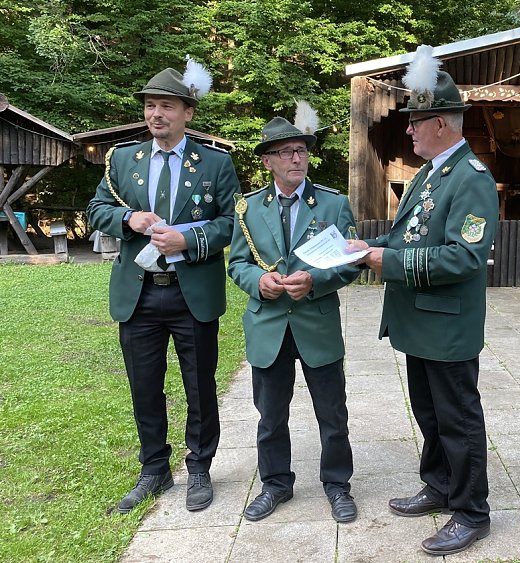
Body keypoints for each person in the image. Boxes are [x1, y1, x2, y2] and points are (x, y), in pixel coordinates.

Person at [347, 46, 499, 556]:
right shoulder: (432, 172)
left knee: (458, 420)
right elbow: (408, 237)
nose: (408, 130)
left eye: (415, 122)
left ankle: (472, 512)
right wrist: (367, 249)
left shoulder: (472, 179)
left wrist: (384, 263)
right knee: (430, 416)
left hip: (448, 326)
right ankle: (439, 486)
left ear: (442, 123)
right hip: (420, 321)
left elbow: (463, 258)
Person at [86, 60, 241, 513]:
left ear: (187, 113)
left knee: (199, 385)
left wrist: (188, 238)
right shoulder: (122, 160)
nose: (157, 114)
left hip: (191, 291)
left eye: (167, 106)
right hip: (138, 292)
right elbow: (97, 208)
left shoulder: (215, 163)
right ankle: (154, 470)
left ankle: (199, 468)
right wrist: (127, 218)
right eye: (151, 106)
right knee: (143, 386)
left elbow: (233, 223)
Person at [227, 107, 361, 523]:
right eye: (284, 152)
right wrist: (258, 283)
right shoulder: (247, 209)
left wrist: (316, 282)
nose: (295, 159)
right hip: (268, 325)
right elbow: (237, 263)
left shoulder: (334, 204)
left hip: (316, 322)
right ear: (267, 161)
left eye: (300, 150)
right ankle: (276, 485)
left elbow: (352, 261)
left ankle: (337, 485)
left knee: (332, 415)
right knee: (270, 417)